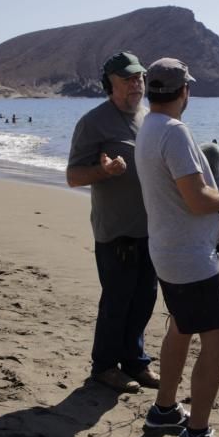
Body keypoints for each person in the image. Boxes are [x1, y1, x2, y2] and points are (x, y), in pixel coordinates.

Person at [135, 58, 219, 437]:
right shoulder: (174, 132)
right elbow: (197, 198)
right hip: (187, 259)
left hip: (170, 250)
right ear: (185, 91)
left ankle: (164, 409)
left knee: (182, 328)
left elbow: (182, 201)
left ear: (151, 90)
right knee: (218, 340)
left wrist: (215, 224)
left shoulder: (149, 127)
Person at [66, 51, 160, 394]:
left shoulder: (149, 118)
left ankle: (135, 362)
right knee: (117, 301)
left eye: (139, 78)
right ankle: (104, 367)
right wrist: (102, 172)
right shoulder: (94, 122)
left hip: (150, 229)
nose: (136, 84)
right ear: (110, 85)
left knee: (144, 299)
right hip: (116, 231)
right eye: (128, 79)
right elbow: (73, 176)